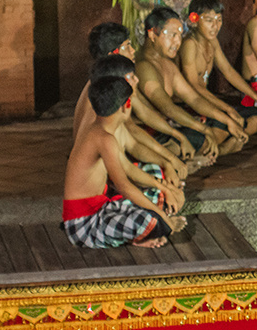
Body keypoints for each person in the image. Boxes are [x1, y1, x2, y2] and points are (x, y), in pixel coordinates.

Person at [63, 78, 185, 248]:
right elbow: (124, 187)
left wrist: (164, 187)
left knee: (154, 176)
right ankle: (141, 236)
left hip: (103, 208)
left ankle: (145, 230)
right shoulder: (103, 138)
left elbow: (127, 167)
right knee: (150, 221)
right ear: (125, 106)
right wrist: (164, 219)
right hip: (84, 225)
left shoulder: (102, 131)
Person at [75, 23, 209, 165]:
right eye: (127, 46)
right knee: (170, 150)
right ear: (113, 54)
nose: (133, 51)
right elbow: (131, 130)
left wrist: (178, 135)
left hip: (113, 147)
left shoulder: (116, 76)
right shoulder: (109, 85)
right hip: (99, 158)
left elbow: (143, 112)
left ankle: (173, 161)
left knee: (188, 138)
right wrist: (170, 158)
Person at [136, 7, 251, 157]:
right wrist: (204, 130)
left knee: (222, 125)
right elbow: (168, 108)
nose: (178, 42)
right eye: (172, 35)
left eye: (180, 35)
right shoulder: (143, 66)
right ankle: (216, 151)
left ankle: (204, 152)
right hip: (152, 133)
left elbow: (194, 99)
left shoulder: (167, 64)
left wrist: (228, 119)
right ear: (152, 34)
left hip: (169, 126)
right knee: (197, 137)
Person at [76, 54, 190, 198]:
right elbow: (124, 178)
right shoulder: (102, 118)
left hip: (113, 177)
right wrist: (165, 186)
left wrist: (167, 162)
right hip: (96, 198)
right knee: (158, 185)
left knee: (160, 173)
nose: (137, 80)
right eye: (131, 77)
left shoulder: (112, 104)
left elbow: (134, 144)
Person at [181, 0, 257, 135]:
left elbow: (228, 71)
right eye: (209, 20)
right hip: (192, 106)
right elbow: (195, 86)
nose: (215, 26)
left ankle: (233, 135)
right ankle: (229, 136)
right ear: (194, 20)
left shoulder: (212, 42)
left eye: (219, 20)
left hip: (209, 102)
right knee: (231, 124)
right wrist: (228, 109)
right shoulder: (190, 45)